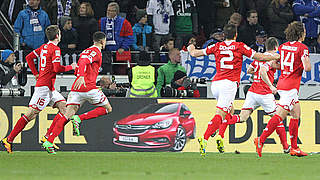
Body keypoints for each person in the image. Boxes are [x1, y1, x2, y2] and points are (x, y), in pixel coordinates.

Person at [187, 24, 279, 157]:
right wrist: (275, 57)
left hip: (216, 83)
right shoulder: (239, 46)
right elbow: (259, 57)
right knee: (221, 113)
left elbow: (195, 53)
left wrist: (190, 47)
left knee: (229, 111)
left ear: (224, 35)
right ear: (235, 35)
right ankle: (205, 137)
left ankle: (220, 135)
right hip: (228, 84)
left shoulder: (217, 46)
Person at [1, 25, 77, 153]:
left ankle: (47, 138)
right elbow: (57, 69)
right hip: (44, 88)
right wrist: (71, 66)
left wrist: (36, 73)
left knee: (65, 109)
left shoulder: (44, 47)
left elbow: (29, 58)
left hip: (49, 87)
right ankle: (9, 139)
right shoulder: (55, 49)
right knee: (31, 114)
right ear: (57, 35)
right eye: (60, 33)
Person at [42, 31, 113, 154]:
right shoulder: (96, 52)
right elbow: (84, 62)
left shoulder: (86, 51)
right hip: (89, 87)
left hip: (76, 89)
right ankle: (79, 118)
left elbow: (81, 63)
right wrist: (81, 76)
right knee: (107, 108)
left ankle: (49, 141)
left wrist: (79, 75)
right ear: (102, 41)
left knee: (65, 115)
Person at [217, 37, 290, 153]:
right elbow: (263, 71)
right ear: (276, 47)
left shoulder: (259, 57)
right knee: (278, 118)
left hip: (252, 92)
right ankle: (286, 147)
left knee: (241, 118)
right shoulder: (272, 58)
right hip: (265, 93)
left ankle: (219, 127)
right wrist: (271, 85)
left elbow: (249, 70)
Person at [254, 21, 311, 157]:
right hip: (291, 87)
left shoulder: (284, 47)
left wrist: (288, 67)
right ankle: (260, 139)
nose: (305, 33)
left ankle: (294, 148)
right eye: (304, 30)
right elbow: (307, 67)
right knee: (280, 115)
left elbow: (275, 63)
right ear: (300, 33)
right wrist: (299, 66)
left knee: (296, 114)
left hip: (283, 83)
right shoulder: (302, 48)